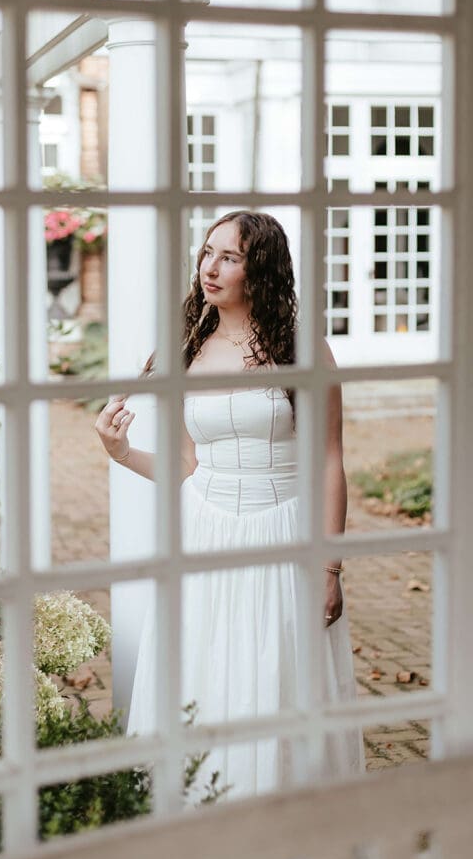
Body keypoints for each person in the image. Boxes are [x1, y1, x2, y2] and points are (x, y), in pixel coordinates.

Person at [95, 210, 363, 802]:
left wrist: (330, 567)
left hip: (284, 531)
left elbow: (328, 459)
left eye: (229, 257)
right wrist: (122, 453)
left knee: (277, 679)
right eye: (206, 253)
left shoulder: (302, 347)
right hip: (205, 532)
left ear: (259, 267)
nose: (209, 268)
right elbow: (190, 468)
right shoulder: (191, 346)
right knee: (203, 674)